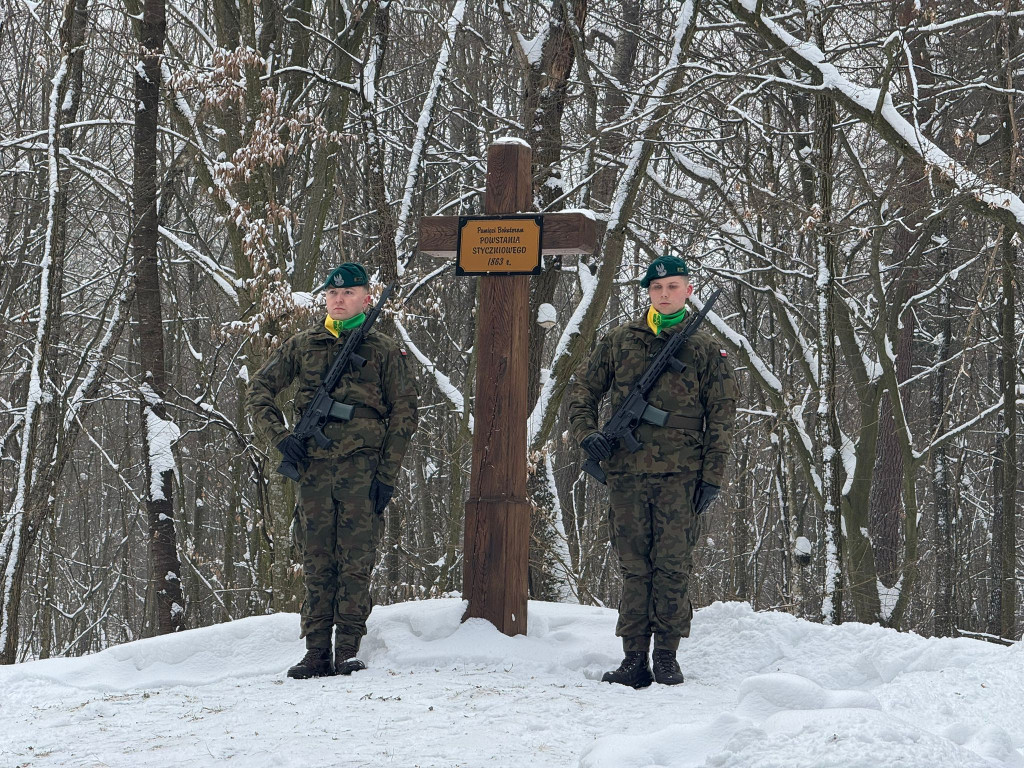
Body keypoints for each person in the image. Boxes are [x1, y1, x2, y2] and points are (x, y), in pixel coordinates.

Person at [568, 254, 738, 688]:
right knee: (634, 567)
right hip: (627, 474)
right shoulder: (620, 340)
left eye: (673, 287)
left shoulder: (704, 349)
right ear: (648, 292)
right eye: (657, 288)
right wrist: (588, 434)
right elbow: (583, 389)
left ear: (688, 290)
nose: (665, 295)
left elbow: (721, 418)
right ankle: (632, 658)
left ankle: (666, 655)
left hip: (682, 476)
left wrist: (712, 477)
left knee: (673, 566)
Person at [246, 263, 418, 679]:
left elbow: (404, 413)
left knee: (356, 560)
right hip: (313, 471)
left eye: (348, 292)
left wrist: (386, 476)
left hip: (363, 471)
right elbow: (259, 390)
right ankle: (316, 651)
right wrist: (280, 436)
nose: (338, 299)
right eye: (332, 293)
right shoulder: (303, 345)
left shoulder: (381, 349)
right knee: (317, 561)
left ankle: (348, 650)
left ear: (365, 298)